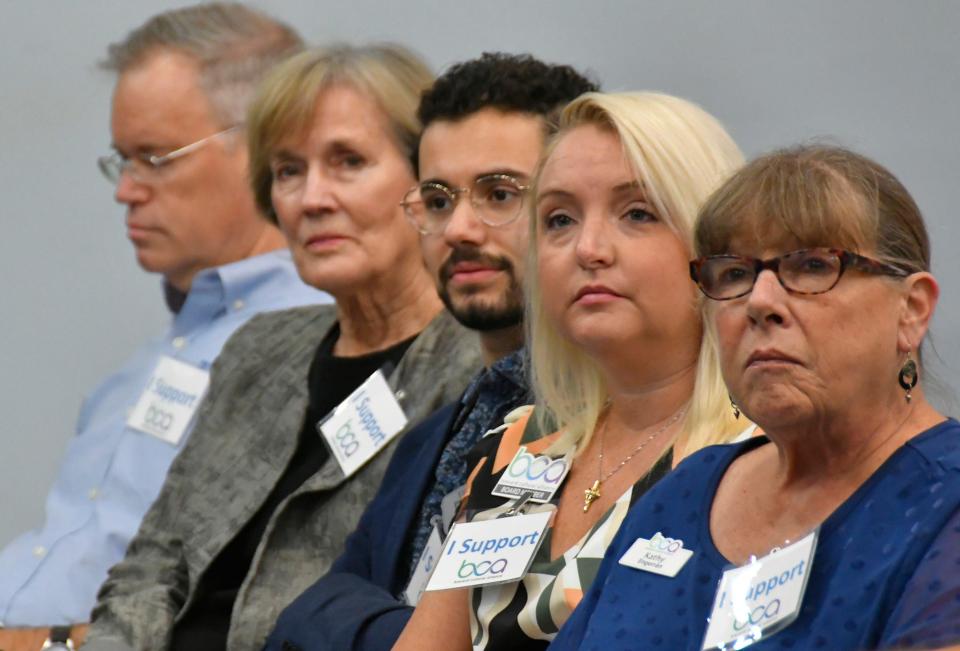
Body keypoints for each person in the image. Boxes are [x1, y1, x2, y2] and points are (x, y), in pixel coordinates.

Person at [81, 44, 482, 651]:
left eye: (348, 162)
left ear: (426, 187)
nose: (311, 198)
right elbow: (154, 564)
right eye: (289, 170)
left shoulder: (474, 368)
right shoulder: (262, 348)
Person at [0, 4, 327, 648]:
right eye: (121, 160)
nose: (126, 190)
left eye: (154, 158)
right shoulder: (143, 367)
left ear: (263, 147)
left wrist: (43, 645)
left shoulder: (316, 339)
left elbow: (241, 607)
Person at [550, 145, 960, 650]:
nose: (761, 303)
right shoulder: (683, 492)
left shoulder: (945, 501)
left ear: (911, 311)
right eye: (735, 274)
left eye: (812, 266)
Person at [262, 52, 598, 651]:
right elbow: (305, 613)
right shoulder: (439, 433)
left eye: (499, 194)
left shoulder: (623, 421)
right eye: (439, 201)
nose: (460, 230)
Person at [393, 91, 748, 651]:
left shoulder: (760, 456)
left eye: (637, 213)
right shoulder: (520, 441)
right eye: (559, 219)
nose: (588, 248)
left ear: (718, 248)